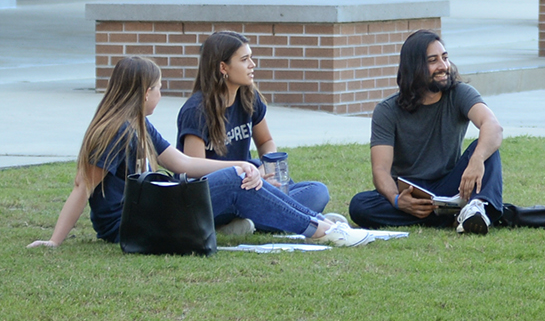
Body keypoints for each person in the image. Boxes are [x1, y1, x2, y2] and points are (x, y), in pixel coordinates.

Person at [27, 57, 374, 249]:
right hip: (133, 224)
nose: (161, 95)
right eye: (159, 89)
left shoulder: (139, 125)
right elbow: (82, 187)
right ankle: (319, 229)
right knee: (240, 179)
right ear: (144, 92)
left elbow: (181, 162)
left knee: (248, 176)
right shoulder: (114, 131)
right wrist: (54, 241)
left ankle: (319, 224)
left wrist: (240, 162)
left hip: (154, 210)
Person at [347, 30, 506, 235]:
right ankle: (457, 215)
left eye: (445, 58)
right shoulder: (387, 111)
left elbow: (493, 126)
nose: (443, 66)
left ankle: (471, 209)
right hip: (412, 192)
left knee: (485, 149)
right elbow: (381, 170)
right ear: (414, 67)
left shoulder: (459, 93)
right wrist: (397, 201)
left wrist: (476, 161)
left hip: (452, 187)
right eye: (433, 60)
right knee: (360, 205)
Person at [176, 31, 334, 235]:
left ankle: (248, 221)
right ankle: (296, 220)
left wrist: (268, 171)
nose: (253, 64)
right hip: (213, 194)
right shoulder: (196, 111)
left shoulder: (249, 97)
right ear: (223, 67)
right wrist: (248, 172)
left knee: (317, 191)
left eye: (251, 57)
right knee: (254, 184)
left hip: (249, 182)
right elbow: (194, 169)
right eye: (244, 59)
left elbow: (266, 140)